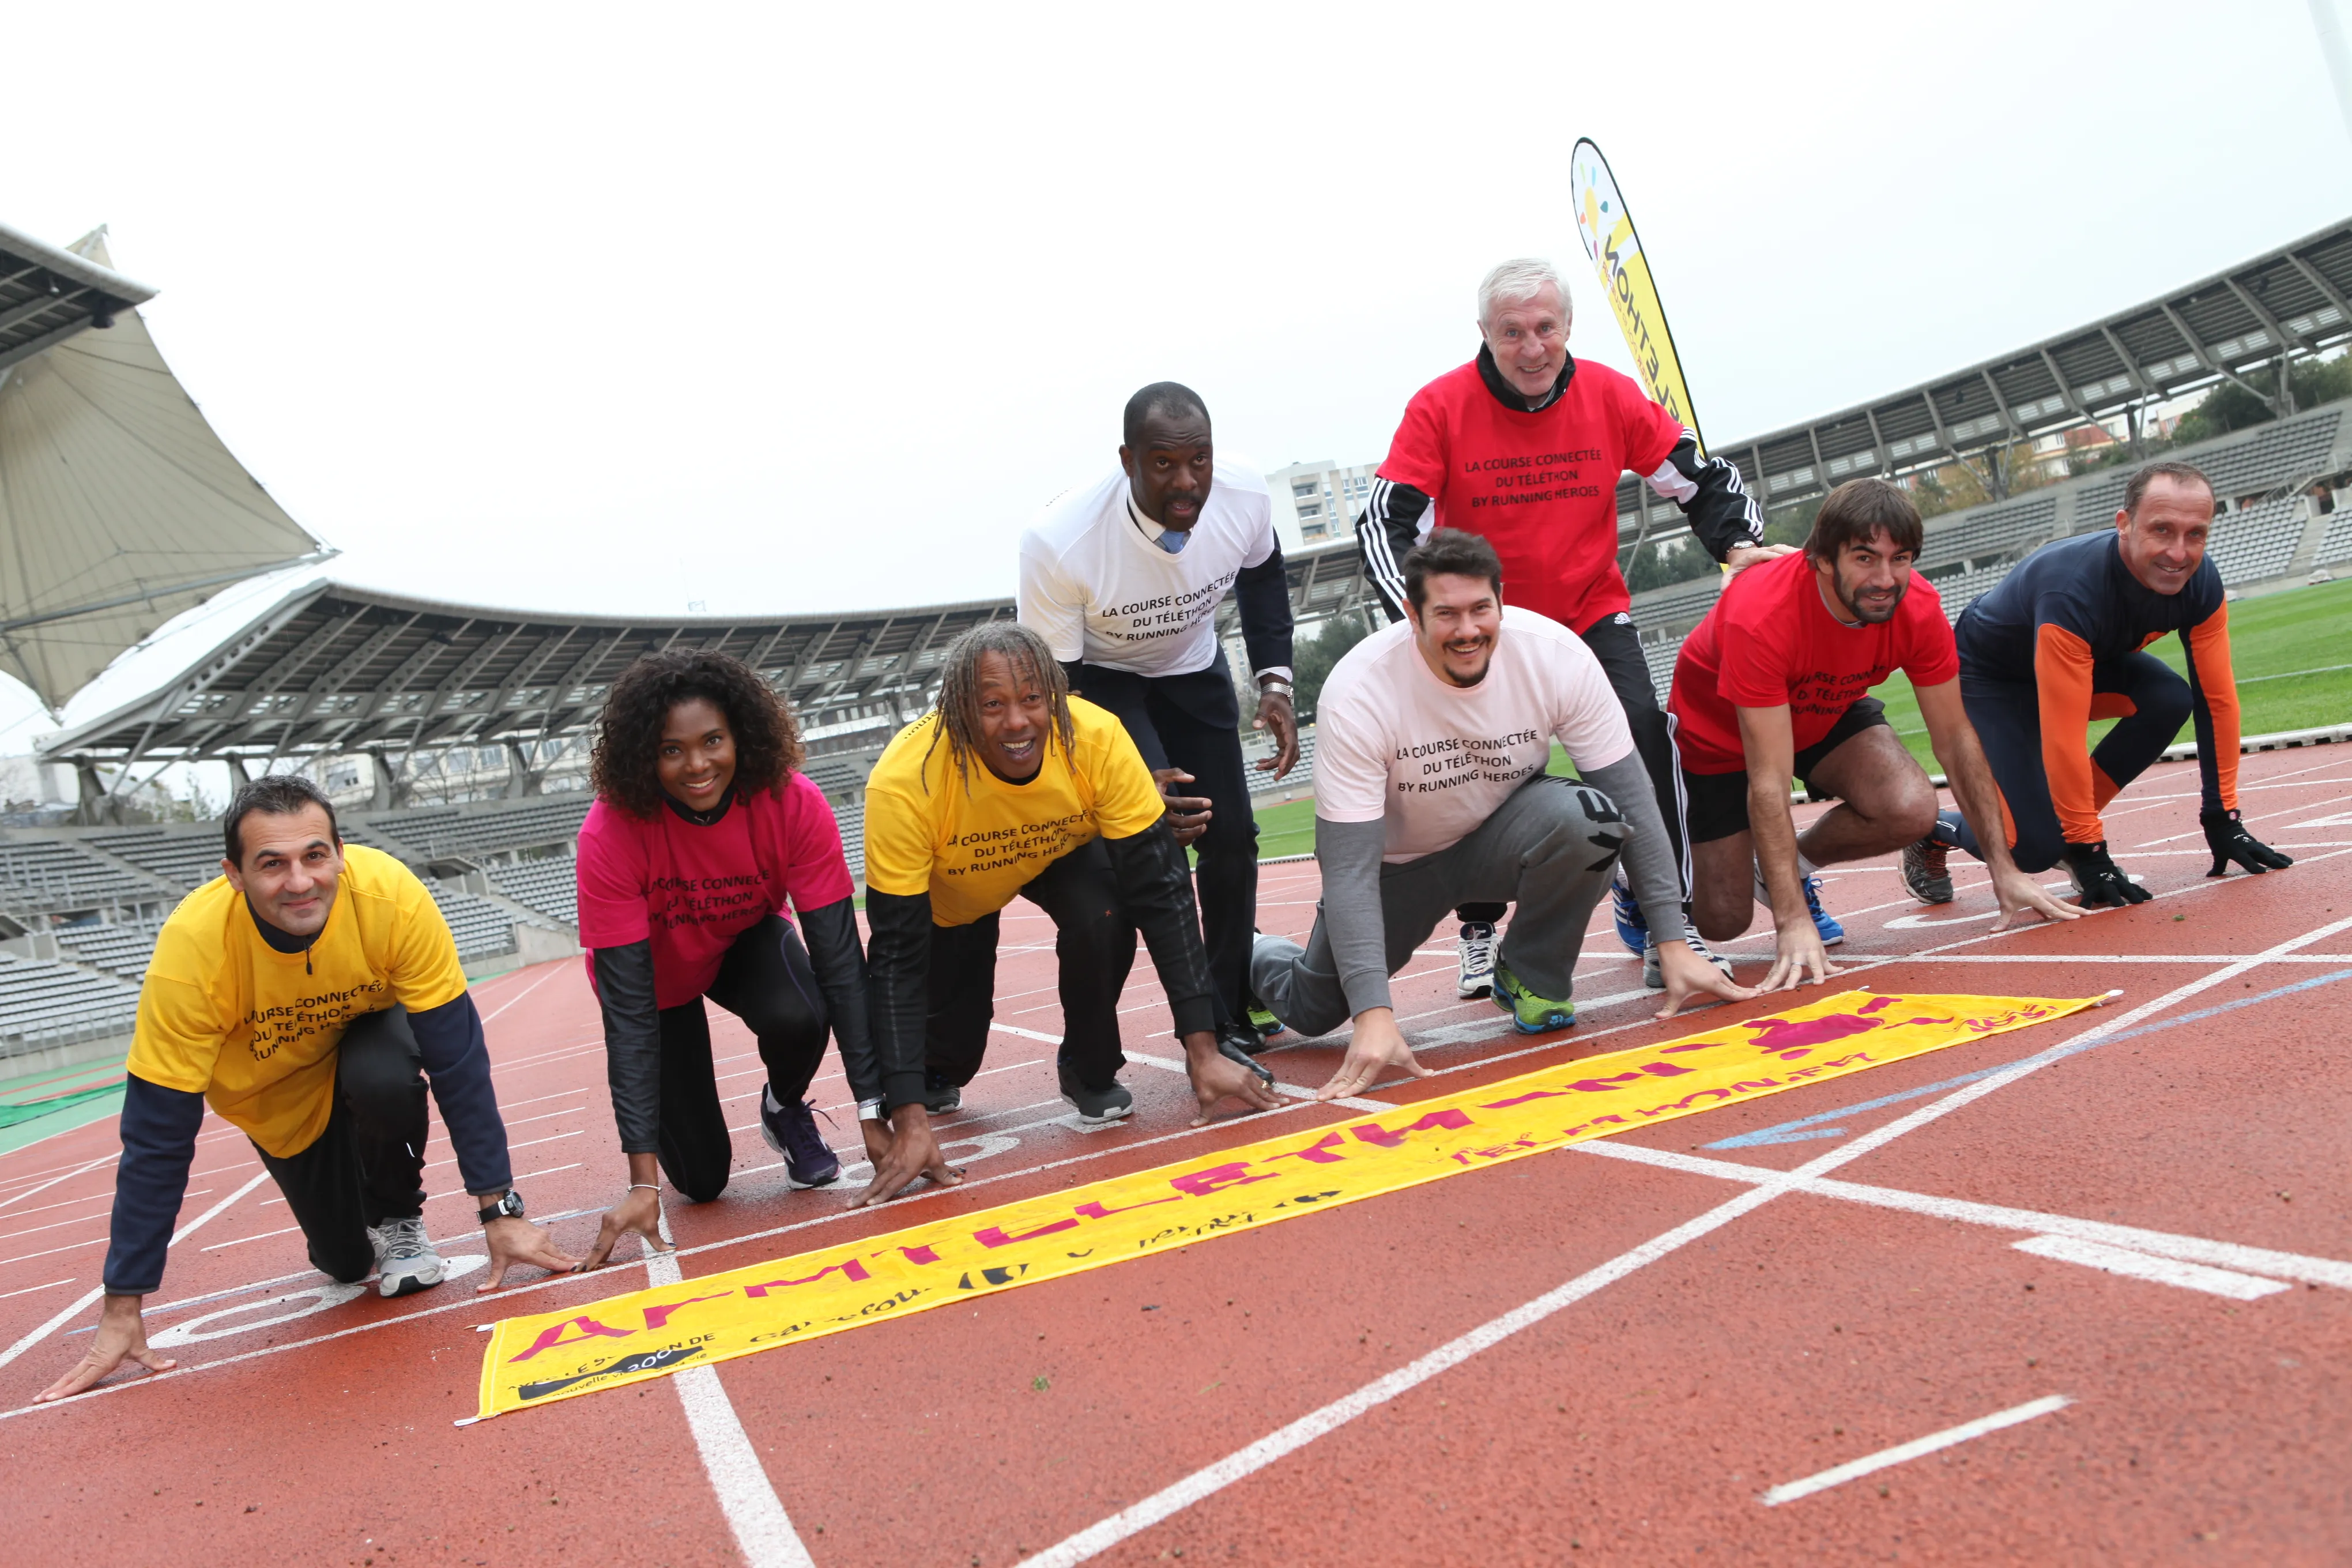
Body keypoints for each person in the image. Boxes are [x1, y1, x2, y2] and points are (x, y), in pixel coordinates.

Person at [37, 777, 575, 1403]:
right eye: (272, 864)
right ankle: (359, 1230)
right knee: (346, 1263)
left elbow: (458, 1061)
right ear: (234, 875)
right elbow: (158, 1137)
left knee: (382, 1075)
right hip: (281, 1107)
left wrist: (498, 1211)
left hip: (368, 1053)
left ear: (340, 853)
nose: (299, 880)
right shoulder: (191, 954)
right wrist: (124, 1302)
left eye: (314, 855)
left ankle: (399, 1218)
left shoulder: (390, 896)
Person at [1354, 257, 1790, 997]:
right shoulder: (1439, 407)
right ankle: (1480, 928)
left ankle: (1666, 928)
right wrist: (1423, 617)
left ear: (1568, 329)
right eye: (1512, 332)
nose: (1532, 348)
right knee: (1479, 775)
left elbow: (1697, 474)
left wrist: (1738, 545)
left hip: (1588, 612)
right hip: (1486, 631)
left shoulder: (1611, 397)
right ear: (1486, 335)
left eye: (1546, 328)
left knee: (1644, 734)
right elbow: (1384, 522)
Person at [1253, 529, 1755, 1097]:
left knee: (1594, 819)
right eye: (1446, 613)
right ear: (1411, 616)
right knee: (1315, 1009)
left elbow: (1635, 798)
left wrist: (1672, 940)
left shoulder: (1555, 655)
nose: (1467, 630)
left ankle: (1530, 974)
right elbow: (1348, 870)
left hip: (1506, 830)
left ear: (1501, 602)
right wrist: (1372, 1012)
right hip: (1399, 864)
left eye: (1480, 609)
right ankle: (1255, 955)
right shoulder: (1359, 692)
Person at [853, 621, 1282, 1203]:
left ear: (1055, 697)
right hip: (956, 897)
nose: (1017, 721)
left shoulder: (1096, 736)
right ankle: (936, 1071)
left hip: (1061, 854)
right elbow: (896, 957)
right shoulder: (906, 781)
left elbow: (1163, 891)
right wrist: (907, 1116)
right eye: (993, 705)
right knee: (951, 1058)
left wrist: (1200, 1045)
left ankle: (1089, 1066)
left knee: (1106, 911)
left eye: (1033, 699)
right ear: (957, 710)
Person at [1668, 478, 2079, 989]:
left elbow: (1955, 738)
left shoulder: (1917, 607)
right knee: (1722, 921)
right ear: (1821, 559)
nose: (1886, 579)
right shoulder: (1762, 616)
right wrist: (1792, 924)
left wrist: (2005, 868)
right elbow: (1769, 779)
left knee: (1910, 805)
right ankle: (1640, 887)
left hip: (1824, 704)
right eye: (1865, 559)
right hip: (1722, 732)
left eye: (1900, 558)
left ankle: (1782, 870)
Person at [572, 650, 909, 1267]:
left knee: (802, 1010)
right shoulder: (610, 833)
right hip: (658, 983)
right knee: (702, 1181)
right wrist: (642, 1181)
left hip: (741, 942)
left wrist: (873, 1108)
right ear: (643, 755)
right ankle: (680, 1165)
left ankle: (784, 1108)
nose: (697, 764)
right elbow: (628, 1019)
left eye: (713, 740)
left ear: (741, 735)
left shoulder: (792, 802)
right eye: (671, 749)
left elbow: (839, 958)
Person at [1019, 380, 1297, 1054]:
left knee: (1232, 841)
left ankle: (1230, 1005)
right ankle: (1192, 1019)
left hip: (1193, 667)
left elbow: (1262, 577)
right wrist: (1135, 772)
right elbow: (1059, 684)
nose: (1187, 481)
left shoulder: (1246, 493)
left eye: (1198, 459)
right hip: (1101, 680)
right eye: (1164, 463)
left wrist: (1276, 680)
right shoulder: (1060, 542)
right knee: (1158, 837)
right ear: (1128, 460)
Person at [1908, 458, 2292, 904]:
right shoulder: (2072, 589)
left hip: (2085, 663)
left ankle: (2066, 827)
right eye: (2162, 530)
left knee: (2169, 698)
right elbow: (2063, 732)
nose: (2178, 553)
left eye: (2196, 534)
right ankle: (1933, 829)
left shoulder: (2201, 581)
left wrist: (2223, 816)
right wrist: (2089, 849)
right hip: (1995, 679)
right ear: (2124, 524)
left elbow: (2218, 701)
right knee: (2031, 849)